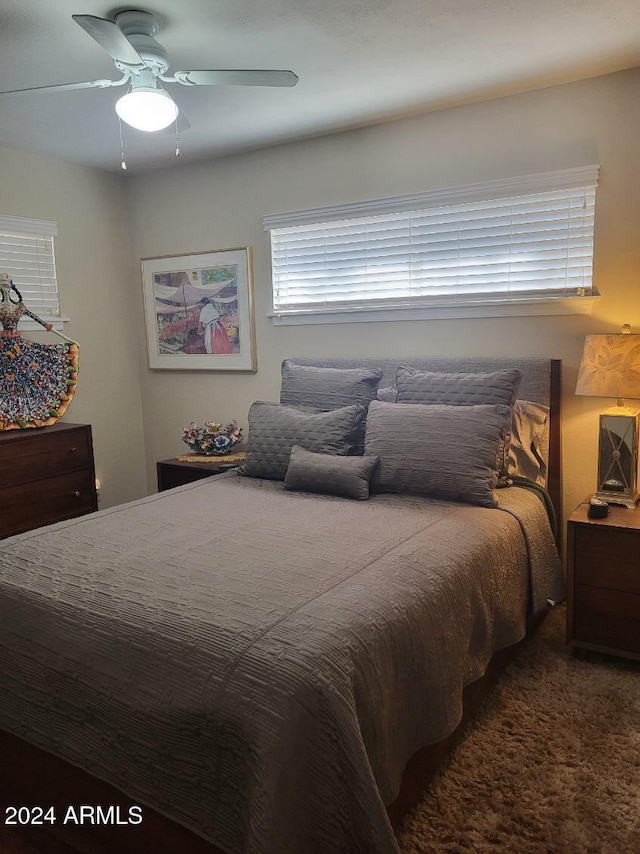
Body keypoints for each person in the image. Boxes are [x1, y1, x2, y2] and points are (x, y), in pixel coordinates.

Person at [0, 273, 79, 430]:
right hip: (4, 348)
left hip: (18, 346)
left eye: (6, 284)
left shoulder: (20, 307)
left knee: (28, 377)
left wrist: (49, 327)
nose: (5, 288)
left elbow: (39, 320)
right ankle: (8, 417)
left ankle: (29, 415)